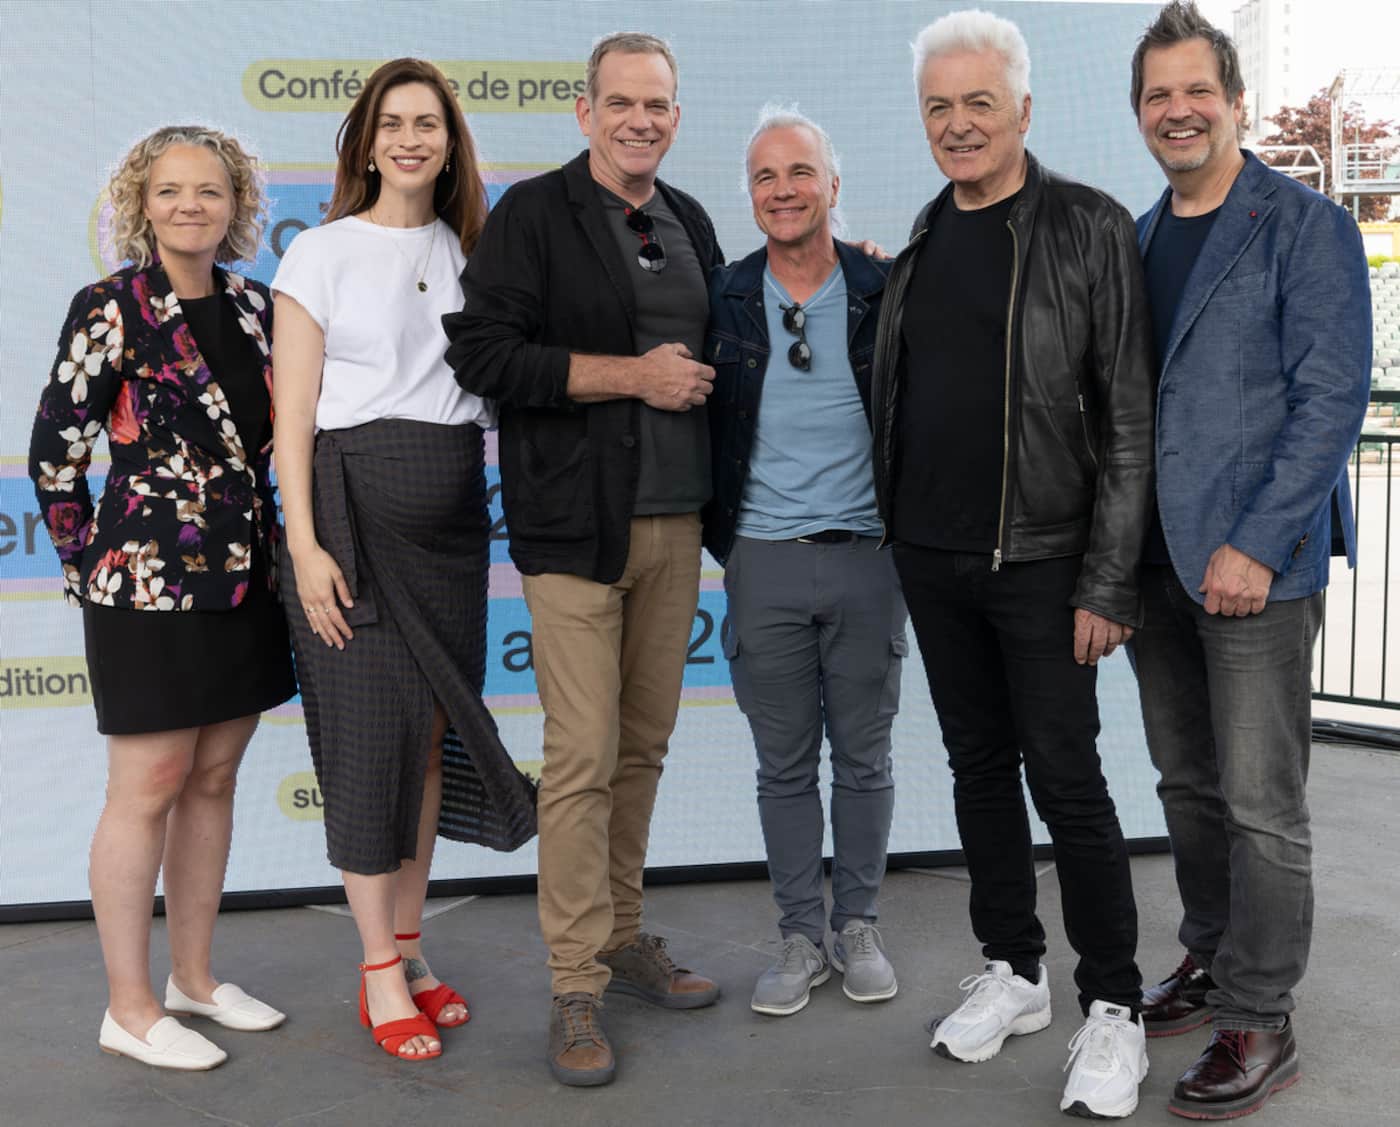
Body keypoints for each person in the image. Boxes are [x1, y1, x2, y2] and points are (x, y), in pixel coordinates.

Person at [871, 9, 1156, 1118]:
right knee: (977, 772)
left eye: (976, 103)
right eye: (937, 107)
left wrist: (1108, 576)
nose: (956, 124)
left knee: (1070, 786)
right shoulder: (921, 240)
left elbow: (1127, 417)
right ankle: (1015, 969)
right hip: (933, 559)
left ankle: (1115, 1005)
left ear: (1022, 111)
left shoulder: (1086, 227)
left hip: (1045, 562)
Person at [443, 32, 721, 1087]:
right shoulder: (532, 215)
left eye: (657, 104)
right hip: (572, 533)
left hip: (676, 523)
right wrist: (627, 375)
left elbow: (724, 345)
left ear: (673, 115)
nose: (639, 120)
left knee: (642, 746)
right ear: (583, 111)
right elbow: (482, 351)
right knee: (581, 756)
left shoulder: (688, 218)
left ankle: (620, 932)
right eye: (621, 103)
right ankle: (572, 980)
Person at [1126, 4, 1372, 1119]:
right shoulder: (1138, 234)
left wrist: (1252, 543)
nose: (1175, 110)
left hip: (1252, 570)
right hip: (1155, 568)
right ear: (1140, 114)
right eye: (1155, 95)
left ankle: (1258, 1015)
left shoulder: (1300, 224)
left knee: (1261, 801)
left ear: (1233, 100)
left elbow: (1327, 404)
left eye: (1193, 90)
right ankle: (1212, 955)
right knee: (1185, 784)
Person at [271, 58, 536, 1063]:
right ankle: (378, 966)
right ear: (366, 139)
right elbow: (291, 417)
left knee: (428, 741)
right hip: (347, 517)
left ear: (451, 140)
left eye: (428, 122)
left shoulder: (477, 251)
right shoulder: (320, 253)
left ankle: (413, 947)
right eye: (393, 122)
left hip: (451, 522)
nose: (411, 138)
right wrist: (303, 546)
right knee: (367, 745)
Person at [28, 126, 296, 1070]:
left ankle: (192, 975)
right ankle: (129, 1006)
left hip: (246, 581)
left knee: (215, 778)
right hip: (141, 586)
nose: (192, 206)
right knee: (144, 788)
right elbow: (55, 457)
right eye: (173, 191)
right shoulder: (109, 308)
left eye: (211, 192)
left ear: (236, 207)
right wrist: (95, 570)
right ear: (143, 202)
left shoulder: (263, 308)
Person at [704, 106, 905, 1018]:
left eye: (798, 173)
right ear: (750, 197)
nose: (782, 191)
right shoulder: (723, 296)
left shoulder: (887, 287)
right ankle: (799, 933)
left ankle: (855, 923)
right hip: (763, 561)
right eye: (763, 178)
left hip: (869, 560)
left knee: (863, 757)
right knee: (782, 766)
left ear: (832, 184)